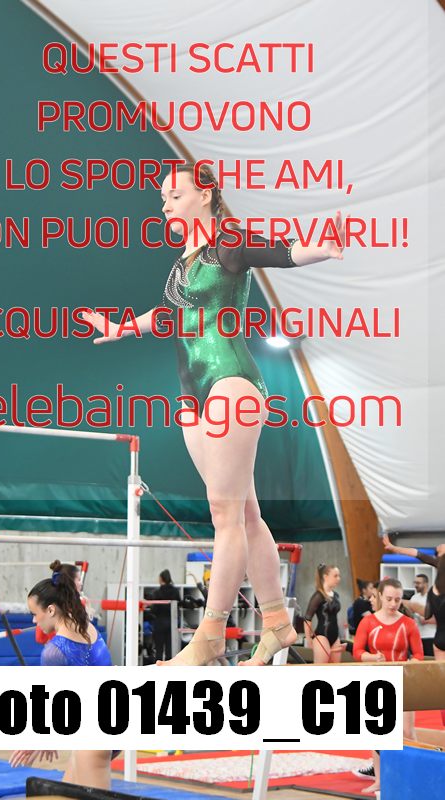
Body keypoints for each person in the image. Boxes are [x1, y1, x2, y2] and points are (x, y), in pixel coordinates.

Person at [84, 162, 345, 666]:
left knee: (224, 514)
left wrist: (319, 248)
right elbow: (170, 315)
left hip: (231, 382)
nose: (164, 204)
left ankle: (210, 633)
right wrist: (122, 327)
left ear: (204, 195)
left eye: (174, 195)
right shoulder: (182, 262)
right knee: (244, 514)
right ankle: (277, 622)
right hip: (192, 395)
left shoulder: (228, 242)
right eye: (162, 197)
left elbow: (278, 251)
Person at [10, 569, 117, 789]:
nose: (33, 619)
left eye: (34, 613)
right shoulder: (87, 626)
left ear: (50, 609)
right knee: (68, 792)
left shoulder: (55, 651)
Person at [353, 577, 424, 796]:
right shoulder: (368, 622)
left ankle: (412, 778)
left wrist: (411, 663)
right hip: (377, 680)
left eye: (398, 600)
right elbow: (357, 651)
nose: (393, 604)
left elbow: (419, 654)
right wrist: (372, 658)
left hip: (403, 680)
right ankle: (380, 780)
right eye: (389, 599)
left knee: (406, 731)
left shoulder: (408, 623)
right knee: (378, 731)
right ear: (380, 596)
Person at [304, 564, 346, 664]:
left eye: (339, 576)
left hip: (335, 636)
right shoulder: (318, 596)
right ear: (325, 577)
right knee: (321, 668)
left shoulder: (336, 595)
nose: (338, 579)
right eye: (335, 576)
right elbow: (307, 618)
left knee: (335, 667)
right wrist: (308, 639)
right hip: (321, 636)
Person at [148, 569, 181, 661]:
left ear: (161, 579)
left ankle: (158, 666)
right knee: (170, 650)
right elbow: (178, 605)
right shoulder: (175, 591)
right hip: (172, 623)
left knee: (159, 650)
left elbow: (154, 609)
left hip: (159, 623)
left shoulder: (157, 592)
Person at [403, 574, 437, 656]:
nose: (416, 585)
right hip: (418, 636)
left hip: (430, 635)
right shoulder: (414, 598)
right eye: (415, 583)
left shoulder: (433, 597)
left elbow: (439, 618)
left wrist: (426, 620)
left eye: (418, 583)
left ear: (426, 584)